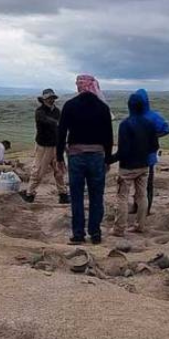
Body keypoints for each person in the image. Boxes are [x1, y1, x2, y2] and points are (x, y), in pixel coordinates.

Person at [57, 74, 113, 245]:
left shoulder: (69, 105)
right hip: (97, 157)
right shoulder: (102, 107)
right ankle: (95, 233)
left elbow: (61, 132)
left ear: (80, 86)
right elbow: (108, 136)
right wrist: (108, 159)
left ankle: (78, 234)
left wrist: (59, 156)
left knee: (77, 196)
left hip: (75, 156)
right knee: (97, 195)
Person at [112, 90, 161, 236]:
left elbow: (122, 151)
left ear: (129, 106)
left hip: (127, 167)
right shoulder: (149, 124)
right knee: (142, 196)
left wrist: (108, 160)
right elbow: (154, 146)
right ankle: (140, 226)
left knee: (122, 197)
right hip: (144, 166)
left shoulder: (125, 124)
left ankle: (119, 229)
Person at [21, 89, 69, 204]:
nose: (51, 100)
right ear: (43, 100)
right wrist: (59, 123)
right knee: (38, 171)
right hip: (44, 146)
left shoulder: (57, 111)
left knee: (59, 171)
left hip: (56, 145)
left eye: (52, 98)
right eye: (48, 98)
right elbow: (45, 120)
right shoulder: (40, 111)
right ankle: (30, 194)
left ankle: (63, 195)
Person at [128, 90, 169, 215]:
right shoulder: (150, 116)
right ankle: (141, 208)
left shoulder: (150, 116)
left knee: (142, 183)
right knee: (143, 183)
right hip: (143, 155)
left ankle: (142, 209)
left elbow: (166, 130)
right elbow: (166, 130)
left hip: (143, 155)